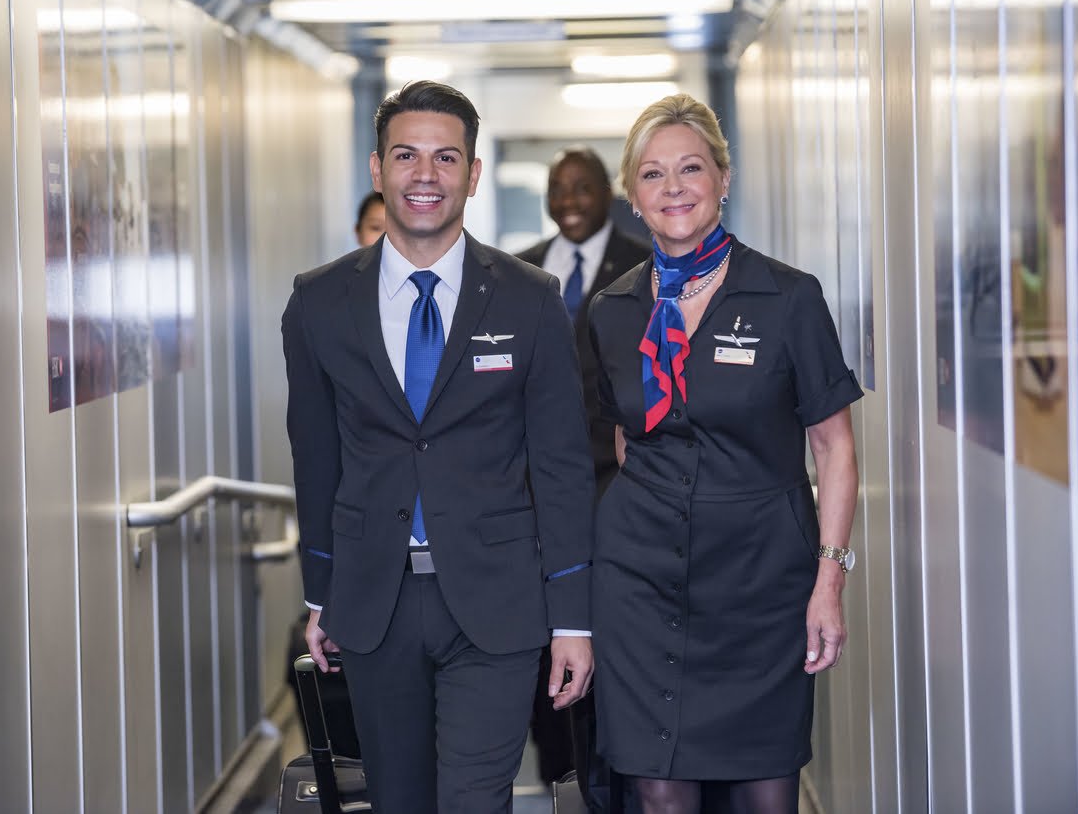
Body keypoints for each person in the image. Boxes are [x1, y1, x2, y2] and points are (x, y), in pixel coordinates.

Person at [282, 80, 596, 814]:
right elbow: (315, 457)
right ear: (377, 169)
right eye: (407, 155)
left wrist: (572, 618)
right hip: (373, 600)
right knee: (399, 801)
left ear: (473, 174)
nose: (425, 175)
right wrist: (319, 594)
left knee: (473, 800)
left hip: (497, 601)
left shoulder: (529, 298)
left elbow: (562, 466)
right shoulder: (319, 302)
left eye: (446, 157)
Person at [587, 93, 862, 813]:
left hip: (761, 584)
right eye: (652, 175)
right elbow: (624, 437)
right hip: (640, 584)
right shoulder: (612, 310)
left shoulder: (788, 297)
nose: (673, 188)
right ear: (632, 195)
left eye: (691, 169)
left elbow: (834, 449)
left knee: (764, 798)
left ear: (724, 179)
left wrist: (828, 580)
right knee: (657, 795)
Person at [515, 146, 647, 808]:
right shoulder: (520, 271)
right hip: (534, 494)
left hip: (613, 485)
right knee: (544, 637)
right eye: (557, 188)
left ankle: (602, 776)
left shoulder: (646, 267)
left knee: (602, 635)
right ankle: (555, 770)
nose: (568, 200)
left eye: (583, 188)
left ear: (609, 194)